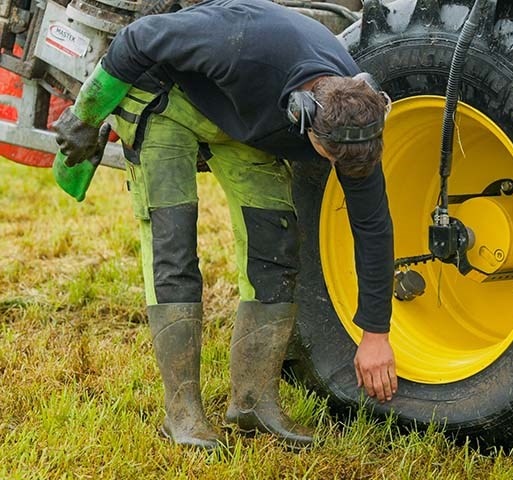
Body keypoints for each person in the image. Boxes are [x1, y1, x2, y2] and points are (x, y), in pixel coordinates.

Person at [52, 0, 397, 451]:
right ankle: (183, 415)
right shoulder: (238, 47)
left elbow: (373, 227)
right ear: (301, 115)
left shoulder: (356, 119)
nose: (341, 170)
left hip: (237, 118)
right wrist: (87, 116)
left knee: (275, 245)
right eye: (328, 158)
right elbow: (136, 38)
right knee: (174, 247)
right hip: (166, 98)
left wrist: (376, 333)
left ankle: (254, 403)